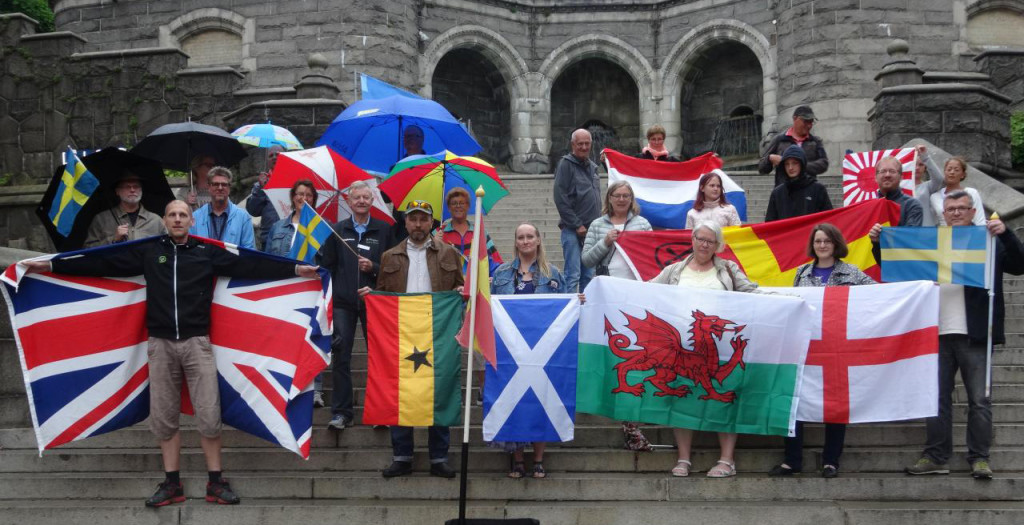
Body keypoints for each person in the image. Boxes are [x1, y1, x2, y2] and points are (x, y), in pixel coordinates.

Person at [22, 200, 320, 507]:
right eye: (172, 215)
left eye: (183, 215)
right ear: (164, 220)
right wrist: (54, 265)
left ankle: (216, 482)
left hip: (198, 343)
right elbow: (103, 262)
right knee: (164, 418)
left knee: (209, 414)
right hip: (160, 345)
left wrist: (295, 268)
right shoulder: (150, 252)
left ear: (192, 221)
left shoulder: (206, 253)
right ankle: (171, 483)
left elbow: (252, 264)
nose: (178, 219)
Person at [900, 191, 1024, 479]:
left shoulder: (989, 241)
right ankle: (935, 456)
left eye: (961, 208)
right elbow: (898, 265)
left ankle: (979, 457)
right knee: (936, 398)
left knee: (980, 400)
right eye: (950, 208)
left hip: (976, 334)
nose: (955, 213)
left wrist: (1006, 235)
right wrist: (879, 244)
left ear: (972, 211)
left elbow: (1019, 266)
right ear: (943, 213)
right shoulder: (931, 243)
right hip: (936, 333)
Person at [649, 221, 766, 478]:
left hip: (721, 347)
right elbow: (644, 291)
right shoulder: (674, 270)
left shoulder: (728, 269)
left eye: (710, 241)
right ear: (692, 239)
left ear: (718, 245)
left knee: (725, 396)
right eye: (700, 239)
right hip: (684, 349)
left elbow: (752, 292)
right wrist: (602, 290)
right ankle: (683, 458)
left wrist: (787, 300)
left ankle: (726, 460)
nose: (704, 244)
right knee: (683, 397)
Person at [363, 200, 464, 478]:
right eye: (413, 219)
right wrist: (372, 298)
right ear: (405, 223)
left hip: (438, 331)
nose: (418, 224)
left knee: (440, 389)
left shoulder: (449, 252)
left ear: (431, 223)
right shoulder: (389, 256)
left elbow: (459, 283)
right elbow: (383, 292)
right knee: (400, 391)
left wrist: (460, 291)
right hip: (403, 332)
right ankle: (402, 456)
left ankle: (439, 458)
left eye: (423, 219)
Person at [768, 223, 875, 479]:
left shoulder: (852, 272)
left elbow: (877, 296)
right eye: (818, 241)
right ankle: (792, 459)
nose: (823, 245)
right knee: (794, 400)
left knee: (836, 403)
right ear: (812, 245)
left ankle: (831, 461)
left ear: (836, 243)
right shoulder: (801, 272)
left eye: (827, 240)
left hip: (838, 346)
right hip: (806, 346)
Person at [490, 222, 566, 479]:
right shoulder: (501, 274)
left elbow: (564, 308)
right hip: (511, 349)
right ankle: (518, 459)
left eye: (529, 236)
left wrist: (577, 302)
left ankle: (538, 459)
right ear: (515, 241)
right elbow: (490, 309)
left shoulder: (553, 273)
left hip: (542, 349)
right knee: (515, 401)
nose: (525, 241)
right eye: (520, 237)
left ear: (538, 240)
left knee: (540, 401)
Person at [320, 181, 395, 430]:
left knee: (380, 357)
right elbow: (326, 264)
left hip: (375, 301)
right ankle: (342, 413)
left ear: (373, 200)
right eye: (356, 198)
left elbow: (394, 268)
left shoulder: (385, 230)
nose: (361, 201)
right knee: (341, 354)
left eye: (366, 197)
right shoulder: (337, 230)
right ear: (349, 202)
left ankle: (380, 411)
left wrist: (372, 268)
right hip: (343, 302)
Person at [263, 179, 327, 408]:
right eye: (300, 194)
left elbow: (328, 262)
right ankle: (285, 387)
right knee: (286, 340)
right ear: (292, 198)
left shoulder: (322, 228)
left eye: (308, 195)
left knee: (313, 340)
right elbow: (268, 260)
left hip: (312, 291)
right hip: (285, 290)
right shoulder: (277, 228)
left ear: (314, 199)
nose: (304, 199)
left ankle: (315, 390)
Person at [553, 128, 602, 293]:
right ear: (573, 144)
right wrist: (576, 225)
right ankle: (570, 314)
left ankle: (586, 313)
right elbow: (560, 198)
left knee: (588, 275)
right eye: (580, 143)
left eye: (587, 143)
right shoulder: (565, 164)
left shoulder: (593, 167)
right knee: (573, 275)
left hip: (591, 230)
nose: (584, 147)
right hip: (573, 230)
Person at [582, 181, 652, 280]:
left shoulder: (643, 224)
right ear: (610, 198)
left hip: (637, 284)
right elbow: (587, 261)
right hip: (607, 284)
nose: (621, 199)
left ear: (631, 199)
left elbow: (652, 257)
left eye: (625, 196)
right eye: (617, 196)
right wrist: (605, 243)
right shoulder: (596, 225)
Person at [84, 171, 166, 247]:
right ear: (117, 191)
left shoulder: (155, 220)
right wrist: (113, 240)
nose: (132, 190)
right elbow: (88, 249)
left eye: (136, 186)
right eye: (127, 187)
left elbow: (166, 247)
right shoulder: (101, 219)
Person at [758, 105, 829, 187]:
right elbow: (761, 168)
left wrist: (800, 165)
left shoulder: (815, 141)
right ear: (795, 119)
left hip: (808, 191)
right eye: (805, 121)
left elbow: (824, 163)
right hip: (784, 192)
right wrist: (769, 158)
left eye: (811, 122)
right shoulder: (780, 139)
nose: (809, 125)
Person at [436, 187, 503, 272]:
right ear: (449, 207)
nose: (458, 206)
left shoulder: (480, 232)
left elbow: (496, 260)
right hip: (449, 282)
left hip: (476, 282)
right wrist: (433, 243)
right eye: (454, 203)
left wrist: (494, 276)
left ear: (468, 206)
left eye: (462, 203)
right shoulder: (438, 233)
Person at [190, 167, 256, 249]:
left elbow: (249, 250)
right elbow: (191, 249)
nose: (220, 188)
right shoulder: (195, 217)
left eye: (224, 184)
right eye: (215, 184)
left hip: (232, 261)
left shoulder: (243, 217)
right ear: (209, 187)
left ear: (229, 188)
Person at [764, 145, 833, 222]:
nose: (790, 167)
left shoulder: (818, 189)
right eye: (787, 164)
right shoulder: (777, 193)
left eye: (795, 163)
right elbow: (770, 224)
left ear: (802, 164)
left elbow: (829, 219)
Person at [387, 125, 428, 242]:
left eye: (412, 136)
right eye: (405, 137)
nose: (408, 139)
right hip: (401, 226)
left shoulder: (432, 166)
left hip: (425, 224)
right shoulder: (396, 167)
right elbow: (386, 198)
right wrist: (394, 177)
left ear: (422, 139)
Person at [245, 145, 286, 248]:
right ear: (267, 160)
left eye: (278, 154)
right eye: (271, 155)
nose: (274, 157)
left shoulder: (294, 183)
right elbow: (253, 211)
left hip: (289, 237)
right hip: (268, 238)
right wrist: (261, 189)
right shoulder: (260, 184)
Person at [929, 156, 986, 226]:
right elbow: (933, 222)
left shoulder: (971, 193)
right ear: (944, 172)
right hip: (944, 234)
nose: (952, 172)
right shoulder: (934, 197)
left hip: (967, 232)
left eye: (956, 170)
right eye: (949, 169)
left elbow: (980, 219)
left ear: (963, 175)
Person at [874, 156, 924, 227]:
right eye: (883, 171)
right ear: (875, 177)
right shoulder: (869, 208)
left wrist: (881, 234)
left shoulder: (912, 205)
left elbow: (912, 235)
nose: (887, 175)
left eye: (892, 171)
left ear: (901, 177)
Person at [913, 144, 943, 227]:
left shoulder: (928, 186)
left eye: (921, 165)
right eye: (914, 164)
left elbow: (939, 178)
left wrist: (925, 158)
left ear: (925, 168)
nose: (917, 168)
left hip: (926, 230)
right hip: (907, 231)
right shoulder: (900, 187)